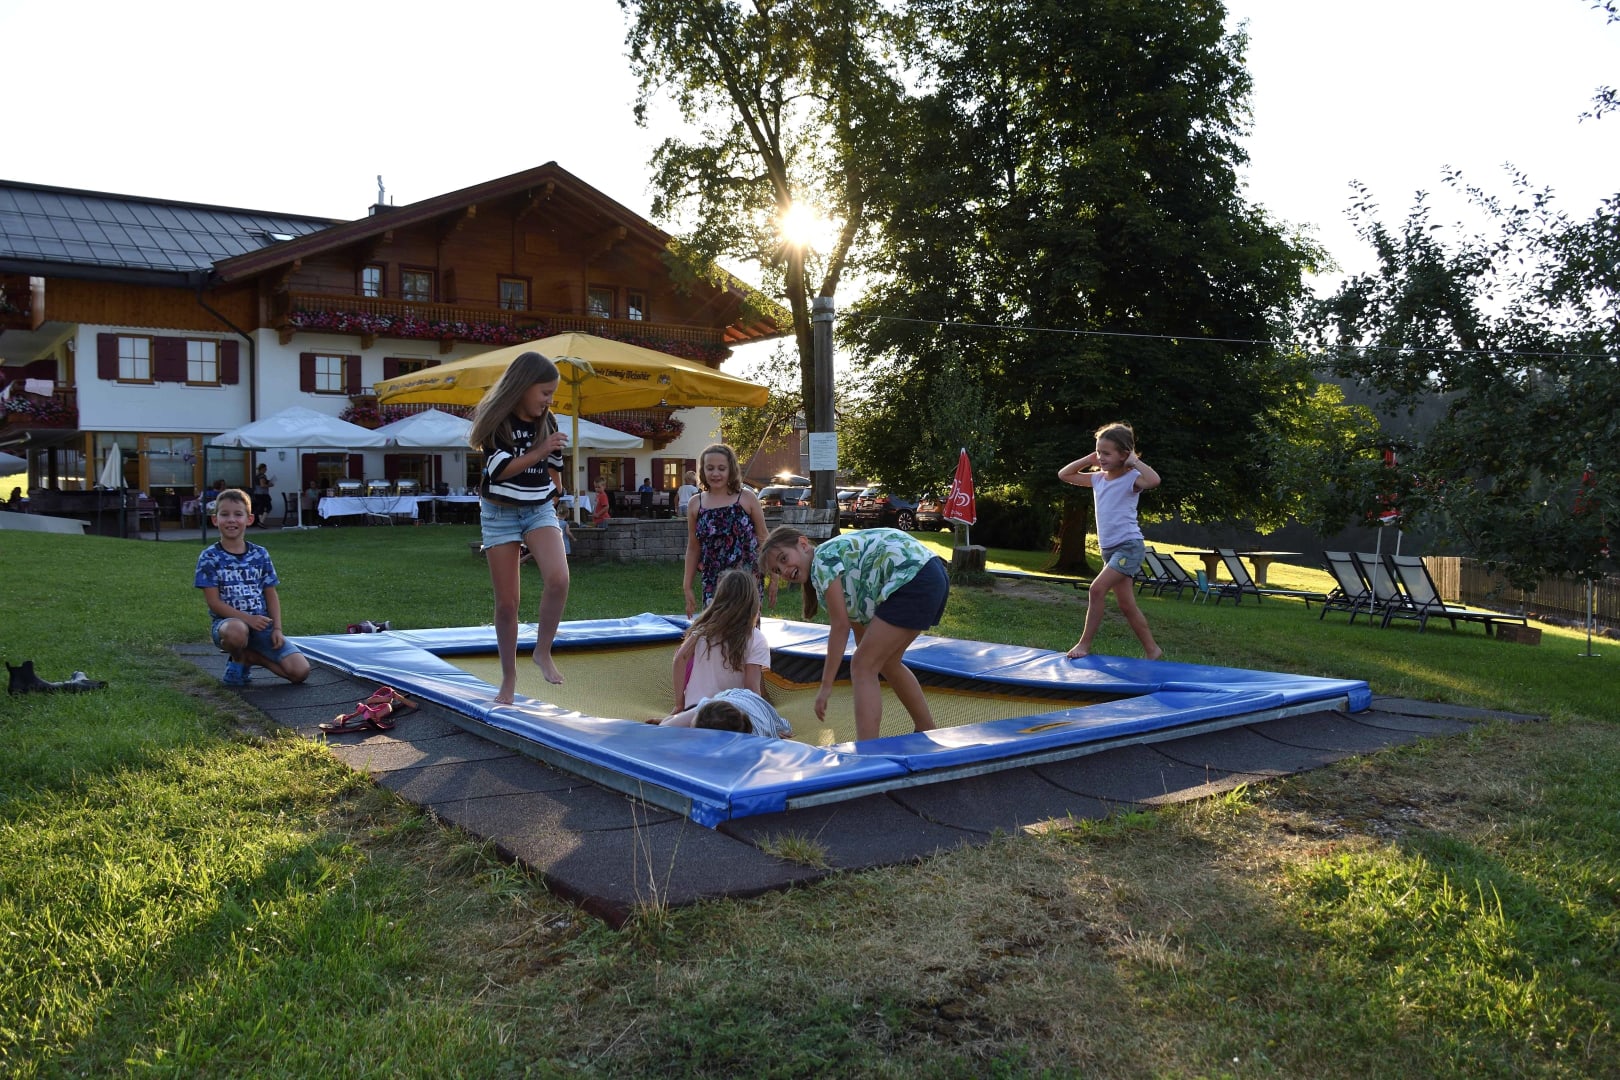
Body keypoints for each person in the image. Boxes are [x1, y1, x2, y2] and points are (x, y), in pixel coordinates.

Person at [759, 524, 949, 742]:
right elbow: (860, 633)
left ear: (803, 544)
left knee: (862, 665)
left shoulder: (822, 561)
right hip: (927, 574)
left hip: (914, 577)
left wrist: (826, 685)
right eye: (777, 570)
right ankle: (926, 728)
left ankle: (867, 749)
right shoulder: (832, 570)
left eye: (783, 559)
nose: (784, 571)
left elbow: (840, 627)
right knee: (886, 662)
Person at [469, 350, 571, 700]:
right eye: (545, 392)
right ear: (524, 386)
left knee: (558, 579)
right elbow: (500, 470)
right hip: (499, 514)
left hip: (538, 508)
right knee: (507, 603)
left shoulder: (547, 420)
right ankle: (509, 677)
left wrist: (557, 489)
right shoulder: (498, 420)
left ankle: (542, 651)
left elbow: (555, 462)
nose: (549, 400)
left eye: (552, 393)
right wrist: (541, 450)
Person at [1057, 421, 1164, 661]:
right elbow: (1064, 474)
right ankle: (1153, 650)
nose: (1101, 458)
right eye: (1098, 452)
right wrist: (1088, 459)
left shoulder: (1132, 478)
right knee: (1126, 605)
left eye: (1106, 453)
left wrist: (1135, 461)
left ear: (1124, 455)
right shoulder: (1098, 479)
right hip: (1110, 550)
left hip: (1129, 547)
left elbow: (1154, 480)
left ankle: (1084, 644)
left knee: (1096, 589)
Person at [194, 488, 310, 688]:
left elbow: (271, 594)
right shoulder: (209, 557)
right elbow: (214, 603)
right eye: (225, 514)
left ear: (249, 519)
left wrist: (277, 629)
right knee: (237, 631)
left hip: (262, 626)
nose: (231, 520)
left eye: (238, 514)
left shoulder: (260, 554)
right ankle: (238, 658)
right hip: (228, 626)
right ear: (215, 520)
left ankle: (251, 657)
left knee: (300, 672)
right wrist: (248, 619)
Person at [682, 443, 768, 616]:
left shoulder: (747, 498)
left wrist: (773, 577)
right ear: (703, 471)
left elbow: (764, 539)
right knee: (714, 628)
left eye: (721, 468)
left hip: (747, 580)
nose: (715, 473)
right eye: (710, 468)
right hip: (713, 580)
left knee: (745, 628)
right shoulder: (695, 504)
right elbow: (693, 547)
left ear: (731, 470)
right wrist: (687, 586)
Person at [669, 567, 769, 713]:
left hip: (694, 709)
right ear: (753, 602)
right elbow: (752, 689)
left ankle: (674, 721)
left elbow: (680, 659)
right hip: (727, 714)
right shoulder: (755, 638)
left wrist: (679, 704)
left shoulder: (702, 630)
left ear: (718, 599)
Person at [658, 687, 793, 739]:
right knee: (783, 729)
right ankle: (681, 719)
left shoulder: (757, 740)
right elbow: (662, 728)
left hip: (755, 707)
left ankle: (683, 720)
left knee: (782, 731)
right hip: (738, 697)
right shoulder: (708, 707)